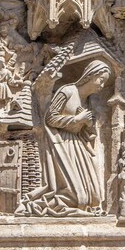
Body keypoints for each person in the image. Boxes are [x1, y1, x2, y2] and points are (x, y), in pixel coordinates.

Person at [41, 60, 112, 214]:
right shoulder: (67, 91)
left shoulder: (88, 101)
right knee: (76, 196)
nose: (102, 86)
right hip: (62, 142)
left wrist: (88, 124)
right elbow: (50, 118)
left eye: (104, 82)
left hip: (78, 144)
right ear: (90, 75)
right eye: (101, 80)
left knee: (93, 195)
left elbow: (86, 133)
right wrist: (77, 119)